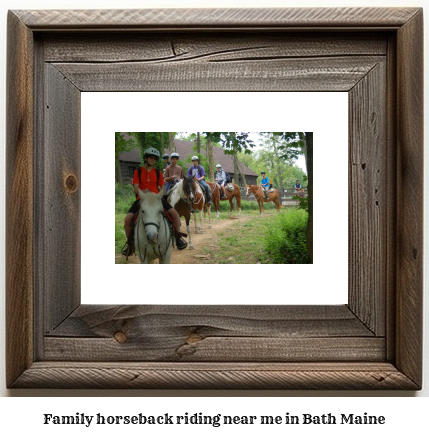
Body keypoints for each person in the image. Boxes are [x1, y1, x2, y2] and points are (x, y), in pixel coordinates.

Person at [122, 147, 187, 255]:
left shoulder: (157, 173)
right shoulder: (138, 172)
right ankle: (130, 244)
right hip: (142, 199)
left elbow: (163, 189)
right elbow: (135, 189)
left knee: (174, 214)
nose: (153, 160)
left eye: (155, 158)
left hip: (157, 199)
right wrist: (144, 191)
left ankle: (177, 238)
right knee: (128, 220)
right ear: (145, 158)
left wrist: (156, 194)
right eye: (151, 158)